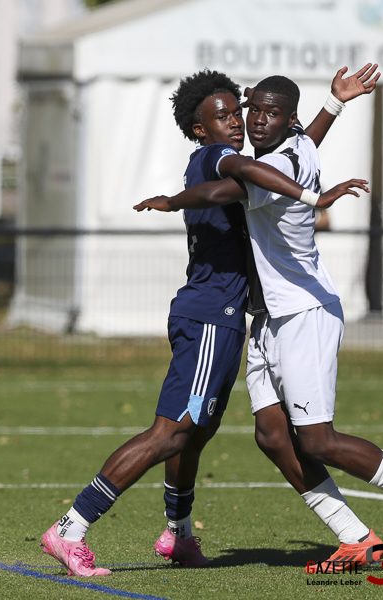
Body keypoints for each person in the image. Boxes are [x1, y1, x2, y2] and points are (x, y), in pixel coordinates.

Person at [39, 69, 364, 577]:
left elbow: (288, 156)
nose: (237, 122)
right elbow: (262, 173)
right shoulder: (216, 158)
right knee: (171, 433)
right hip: (212, 318)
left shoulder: (231, 161)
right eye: (223, 116)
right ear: (199, 130)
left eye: (237, 112)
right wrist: (313, 199)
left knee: (197, 433)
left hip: (224, 318)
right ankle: (71, 527)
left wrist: (333, 106)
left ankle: (178, 533)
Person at [138, 71, 383, 570]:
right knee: (270, 435)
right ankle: (357, 538)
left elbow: (219, 194)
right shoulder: (298, 145)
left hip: (304, 313)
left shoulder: (273, 171)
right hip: (269, 319)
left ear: (286, 119)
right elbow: (308, 136)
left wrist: (170, 200)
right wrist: (334, 102)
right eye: (254, 111)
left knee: (318, 440)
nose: (257, 121)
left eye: (271, 114)